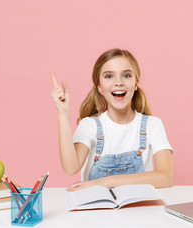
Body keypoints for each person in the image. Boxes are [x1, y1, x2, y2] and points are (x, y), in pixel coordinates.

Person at [51, 48, 173, 191]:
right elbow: (71, 168)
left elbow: (166, 177)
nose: (118, 82)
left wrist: (106, 181)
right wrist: (63, 114)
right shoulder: (90, 125)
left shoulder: (152, 125)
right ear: (99, 87)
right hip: (98, 209)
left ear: (136, 83)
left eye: (126, 75)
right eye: (109, 76)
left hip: (138, 209)